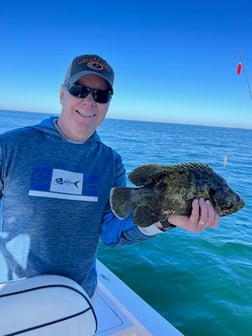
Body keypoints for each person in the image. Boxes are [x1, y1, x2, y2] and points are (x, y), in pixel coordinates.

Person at [0, 54, 219, 298]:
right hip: (12, 294)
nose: (89, 102)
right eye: (79, 90)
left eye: (101, 95)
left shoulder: (110, 162)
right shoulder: (10, 147)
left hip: (78, 298)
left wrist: (167, 220)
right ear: (62, 94)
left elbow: (112, 233)